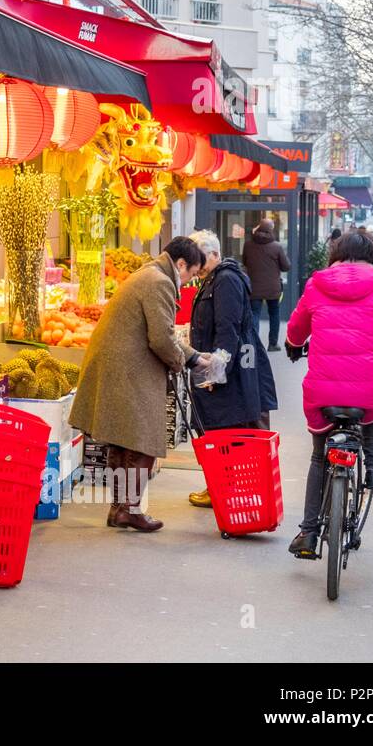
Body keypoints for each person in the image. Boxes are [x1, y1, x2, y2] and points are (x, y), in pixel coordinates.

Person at [283, 230, 373, 558]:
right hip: (366, 394)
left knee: (320, 456)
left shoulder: (317, 286)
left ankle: (307, 531)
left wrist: (292, 346)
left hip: (321, 393)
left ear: (335, 255)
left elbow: (296, 329)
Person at [70, 237, 211, 532]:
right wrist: (186, 360)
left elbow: (162, 334)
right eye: (190, 275)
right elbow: (161, 338)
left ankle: (120, 509)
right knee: (141, 439)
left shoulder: (148, 274)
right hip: (127, 369)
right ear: (181, 264)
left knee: (123, 439)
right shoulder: (159, 281)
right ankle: (130, 509)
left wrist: (192, 357)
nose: (187, 283)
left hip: (120, 366)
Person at [185, 230, 278, 508]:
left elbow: (228, 328)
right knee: (221, 429)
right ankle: (219, 485)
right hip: (230, 365)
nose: (196, 267)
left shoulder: (225, 280)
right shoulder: (215, 278)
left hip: (233, 369)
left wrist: (216, 371)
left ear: (214, 255)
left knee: (224, 430)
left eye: (200, 260)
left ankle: (222, 488)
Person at [242, 218, 291, 351]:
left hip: (254, 287)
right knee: (274, 314)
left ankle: (255, 344)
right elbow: (286, 267)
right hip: (273, 289)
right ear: (271, 230)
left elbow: (244, 262)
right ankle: (273, 344)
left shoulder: (248, 245)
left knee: (255, 314)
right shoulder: (277, 247)